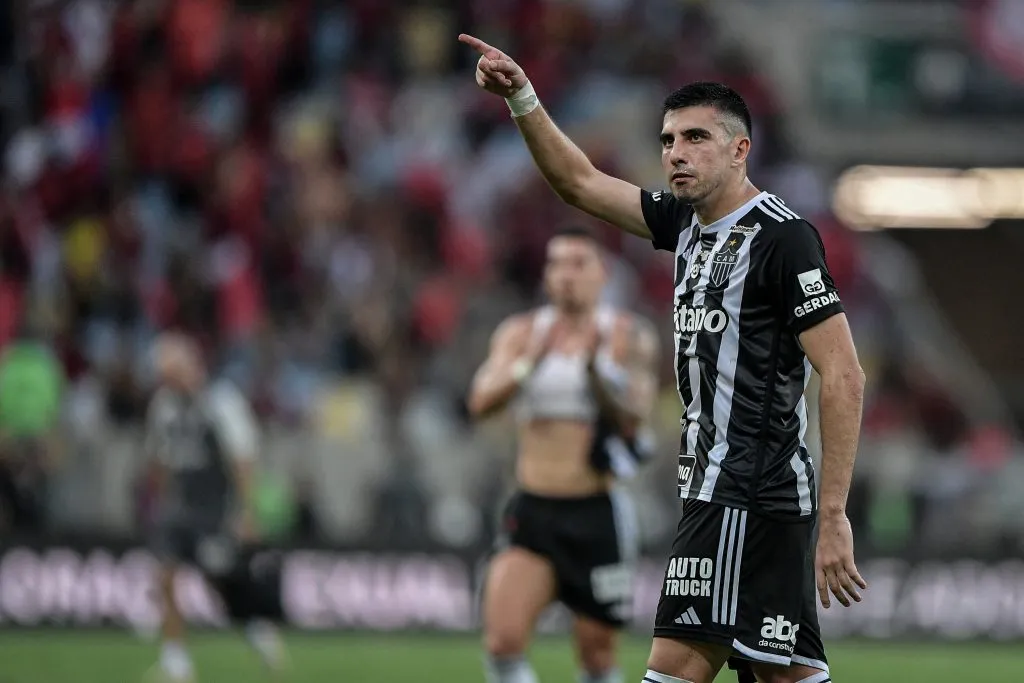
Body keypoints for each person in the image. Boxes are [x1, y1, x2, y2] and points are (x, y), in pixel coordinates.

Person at [459, 34, 867, 683]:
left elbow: (843, 374)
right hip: (724, 492)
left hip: (745, 491)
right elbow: (578, 181)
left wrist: (837, 514)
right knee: (782, 674)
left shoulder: (782, 239)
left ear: (740, 149)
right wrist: (524, 98)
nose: (676, 152)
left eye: (696, 138)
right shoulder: (684, 225)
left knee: (673, 668)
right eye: (668, 140)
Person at [468, 226, 661, 683]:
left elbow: (636, 415)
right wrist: (528, 365)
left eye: (578, 264)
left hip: (595, 512)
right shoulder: (521, 334)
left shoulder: (626, 335)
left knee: (596, 654)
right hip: (533, 507)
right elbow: (480, 401)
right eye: (556, 264)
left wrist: (597, 376)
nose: (566, 275)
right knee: (502, 641)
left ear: (601, 274)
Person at [143, 333, 287, 682]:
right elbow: (159, 459)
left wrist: (246, 510)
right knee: (164, 576)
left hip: (216, 507)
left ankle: (253, 627)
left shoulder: (220, 401)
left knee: (218, 580)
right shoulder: (163, 406)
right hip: (181, 506)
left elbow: (242, 459)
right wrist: (160, 498)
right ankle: (177, 662)